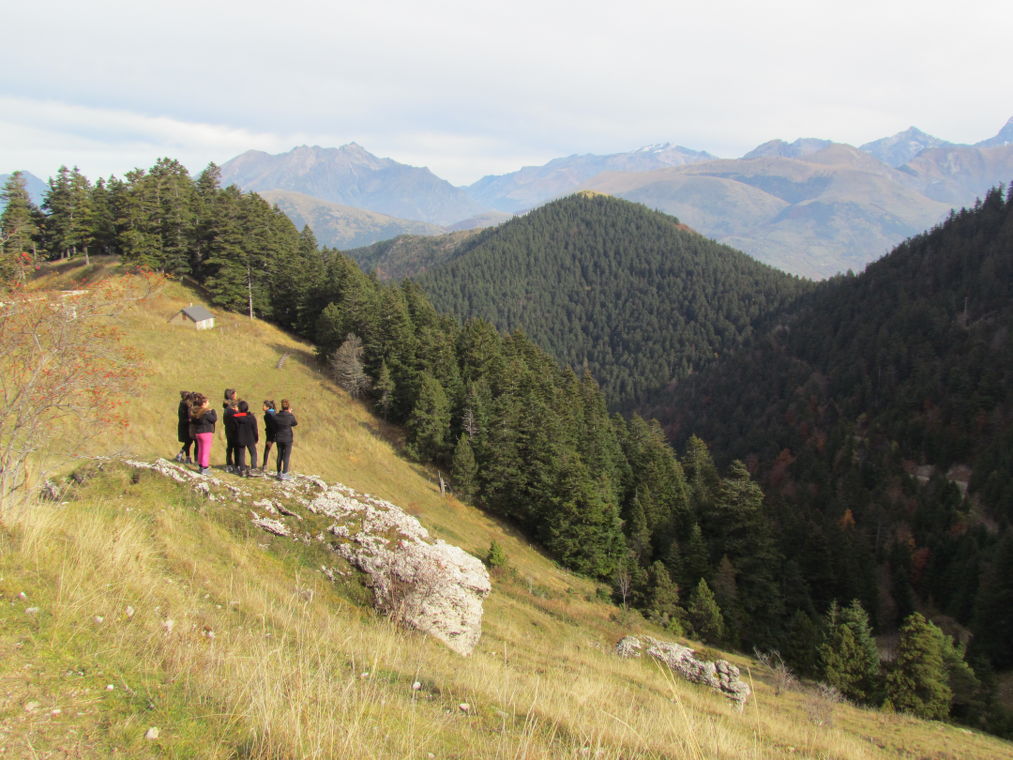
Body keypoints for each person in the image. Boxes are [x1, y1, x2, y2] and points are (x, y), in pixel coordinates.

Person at [190, 393, 217, 475]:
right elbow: (214, 419)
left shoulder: (196, 412)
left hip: (198, 433)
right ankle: (205, 467)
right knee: (206, 450)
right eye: (207, 402)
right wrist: (213, 411)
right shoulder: (206, 413)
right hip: (206, 433)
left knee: (201, 449)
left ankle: (201, 465)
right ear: (204, 404)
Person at [272, 399, 298, 481]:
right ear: (288, 407)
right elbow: (294, 423)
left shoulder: (277, 416)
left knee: (279, 455)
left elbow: (274, 424)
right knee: (286, 456)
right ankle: (285, 473)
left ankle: (278, 472)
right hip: (287, 438)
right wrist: (290, 413)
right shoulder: (289, 416)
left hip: (279, 437)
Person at [233, 400, 259, 478]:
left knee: (241, 454)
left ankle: (242, 470)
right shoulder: (251, 417)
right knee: (253, 453)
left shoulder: (235, 417)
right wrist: (256, 438)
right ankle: (254, 468)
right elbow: (255, 429)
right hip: (250, 438)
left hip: (240, 438)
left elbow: (234, 429)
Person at [174, 391, 195, 464]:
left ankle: (187, 457)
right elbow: (190, 415)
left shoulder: (182, 403)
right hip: (187, 425)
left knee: (187, 441)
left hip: (182, 424)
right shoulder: (187, 405)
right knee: (189, 441)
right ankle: (181, 455)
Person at [223, 389, 239, 473]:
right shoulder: (230, 409)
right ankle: (233, 464)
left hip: (228, 429)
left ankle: (230, 463)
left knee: (230, 447)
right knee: (233, 447)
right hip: (232, 429)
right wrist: (246, 414)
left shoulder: (227, 408)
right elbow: (237, 415)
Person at [260, 400, 277, 470]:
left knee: (267, 450)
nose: (262, 407)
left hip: (270, 434)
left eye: (263, 406)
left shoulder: (267, 415)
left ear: (268, 407)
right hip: (277, 433)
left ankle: (264, 465)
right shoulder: (275, 413)